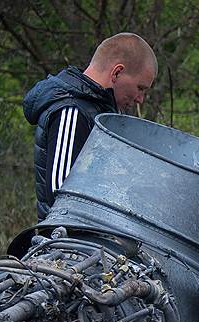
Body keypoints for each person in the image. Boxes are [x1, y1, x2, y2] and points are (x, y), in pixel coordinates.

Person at [23, 32, 158, 220]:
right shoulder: (71, 110)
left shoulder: (104, 112)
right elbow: (61, 196)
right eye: (140, 88)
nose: (140, 99)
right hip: (68, 244)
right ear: (117, 72)